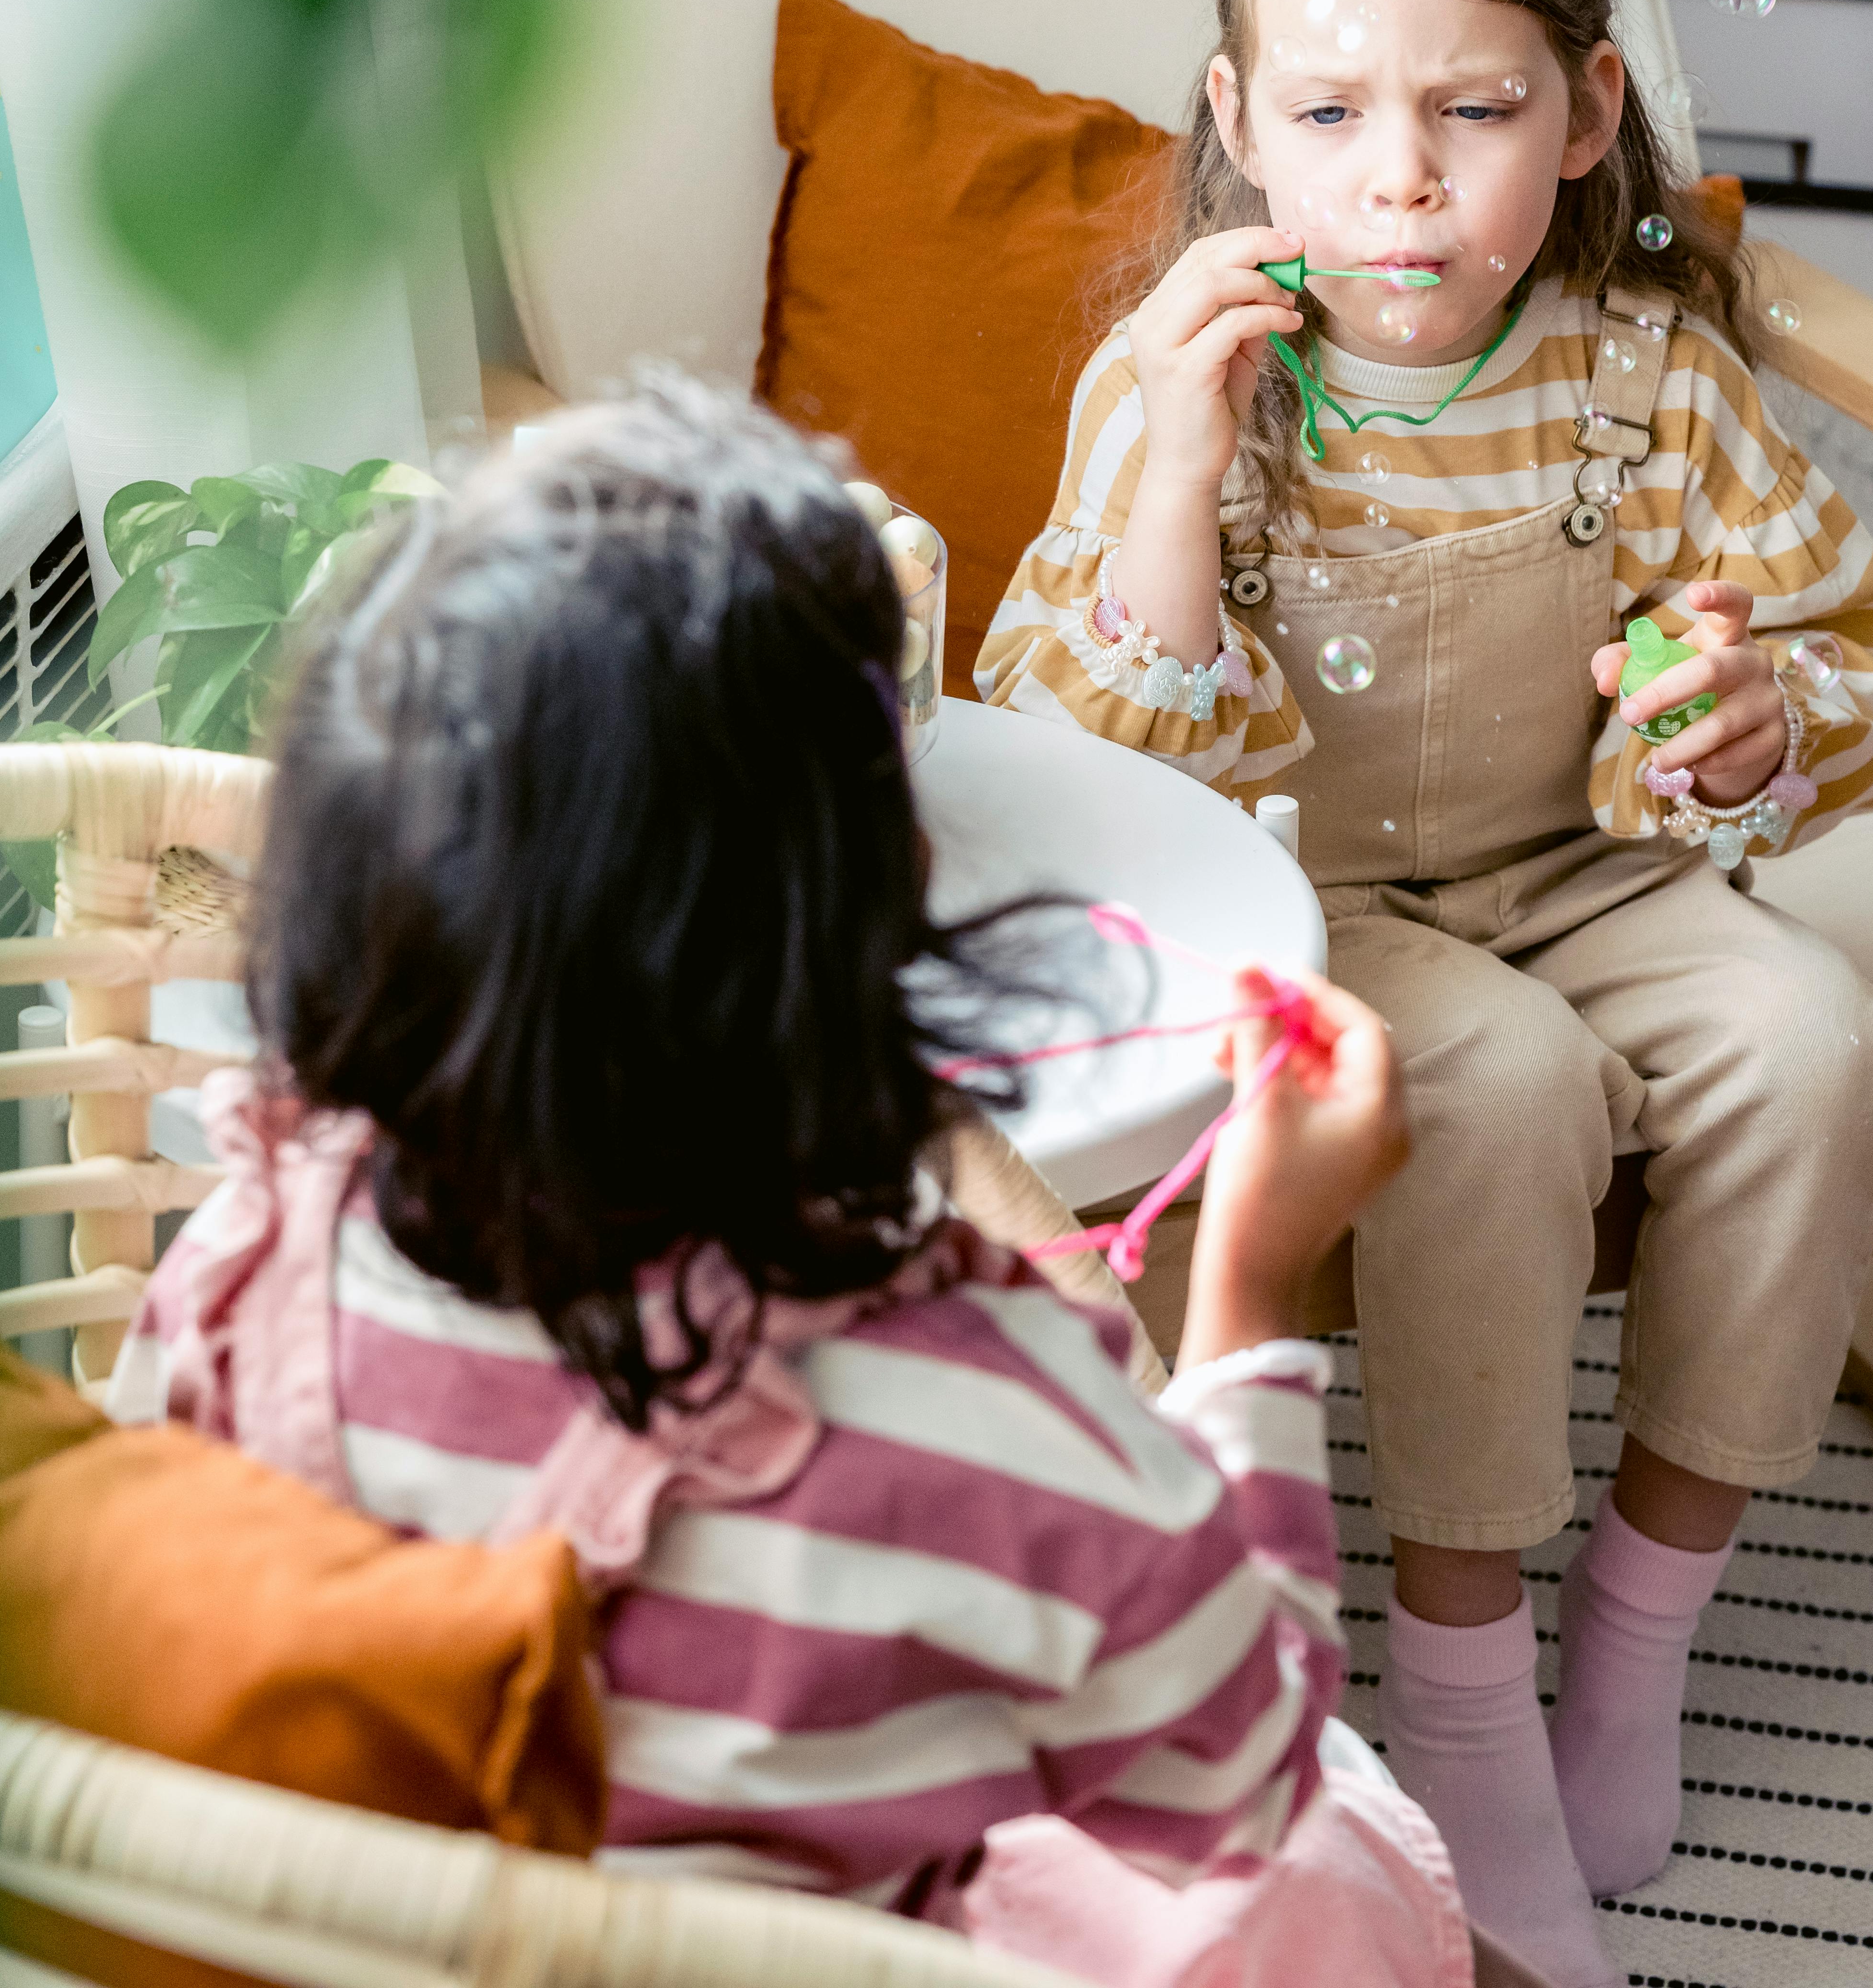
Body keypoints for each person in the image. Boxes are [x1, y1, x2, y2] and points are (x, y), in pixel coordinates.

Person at [107, 375, 1504, 1987]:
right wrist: (1250, 1293)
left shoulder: (255, 1238)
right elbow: (1237, 1770)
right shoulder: (975, 1409)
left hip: (387, 1931)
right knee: (1331, 1882)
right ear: (877, 897)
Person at [977, 0, 1873, 1988]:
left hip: (1583, 867)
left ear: (1586, 114)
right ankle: (1466, 1682)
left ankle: (1639, 1630)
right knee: (1484, 1090)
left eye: (1474, 113)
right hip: (1299, 890)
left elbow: (1846, 645)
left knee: (1804, 1037)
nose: (1400, 186)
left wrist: (1762, 710)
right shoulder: (1179, 380)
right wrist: (1180, 476)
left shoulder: (1646, 374)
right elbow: (1061, 756)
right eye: (1327, 117)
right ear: (1235, 129)